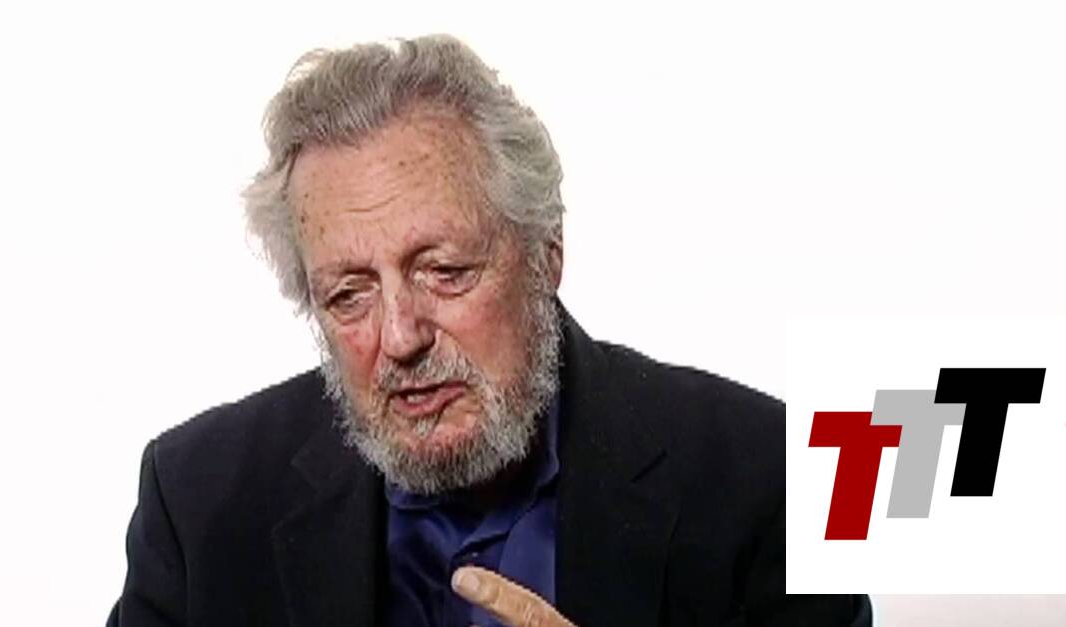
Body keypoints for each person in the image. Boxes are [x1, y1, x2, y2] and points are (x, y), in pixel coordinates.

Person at [108, 34, 870, 626]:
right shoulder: (198, 499)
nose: (400, 336)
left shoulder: (767, 478)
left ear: (546, 251)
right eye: (348, 294)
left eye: (444, 271)